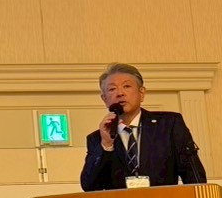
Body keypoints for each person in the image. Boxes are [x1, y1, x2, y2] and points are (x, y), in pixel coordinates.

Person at [79, 63, 206, 191]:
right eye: (112, 89)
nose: (120, 93)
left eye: (127, 86)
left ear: (141, 93)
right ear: (104, 99)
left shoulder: (169, 124)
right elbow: (89, 186)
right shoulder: (97, 139)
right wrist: (106, 145)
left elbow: (193, 175)